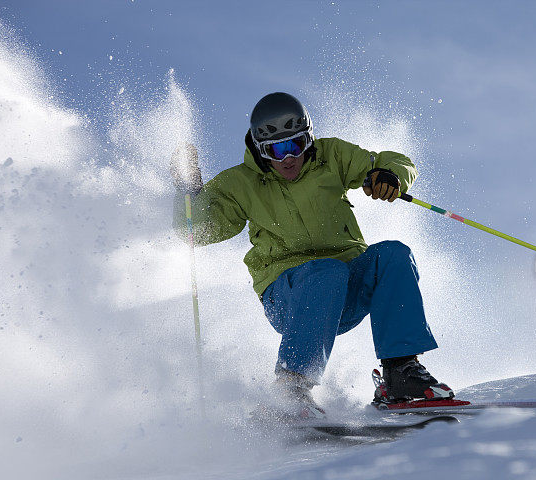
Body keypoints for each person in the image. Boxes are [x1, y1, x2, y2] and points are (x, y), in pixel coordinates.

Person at [172, 92, 452, 418]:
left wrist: (389, 176)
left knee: (393, 254)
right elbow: (197, 231)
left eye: (296, 144)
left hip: (345, 283)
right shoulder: (241, 183)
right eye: (277, 150)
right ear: (262, 151)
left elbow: (393, 161)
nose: (289, 157)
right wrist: (189, 195)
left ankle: (400, 372)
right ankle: (291, 388)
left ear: (308, 138)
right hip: (288, 296)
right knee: (326, 270)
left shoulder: (330, 156)